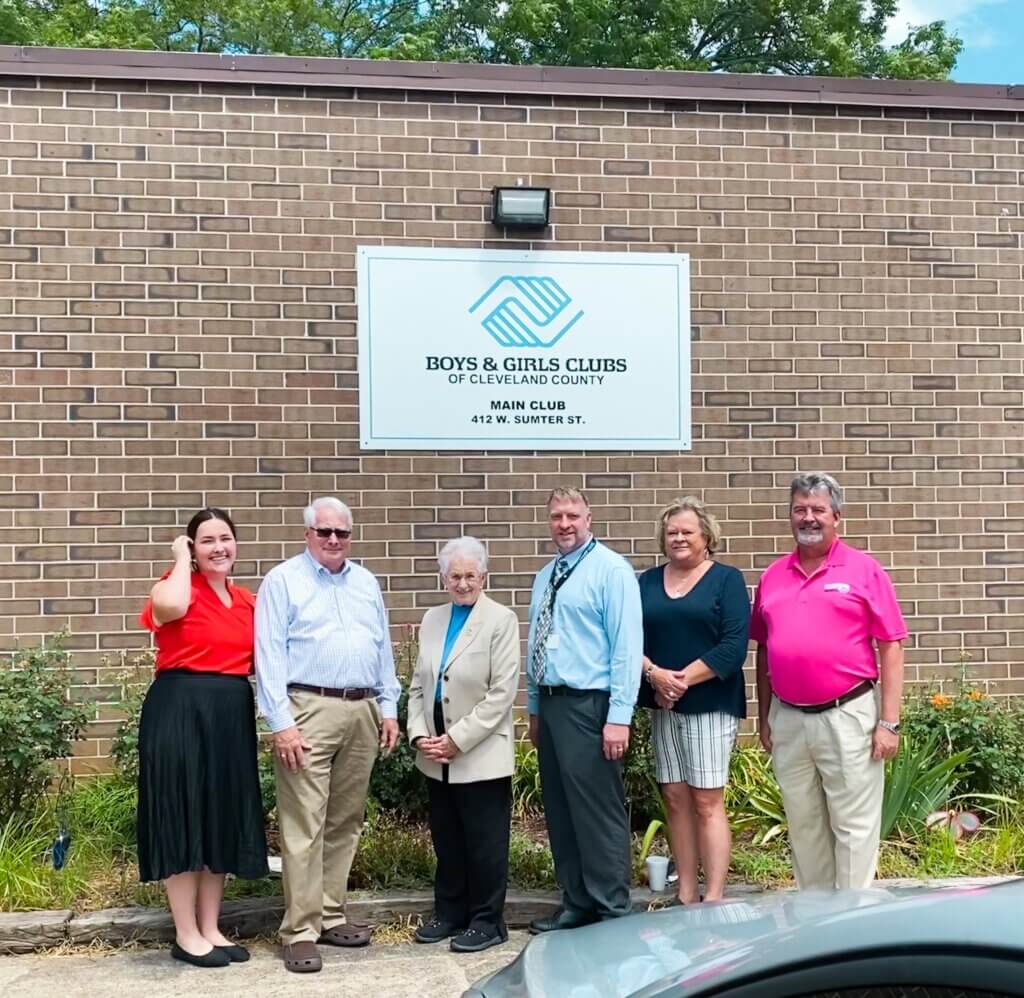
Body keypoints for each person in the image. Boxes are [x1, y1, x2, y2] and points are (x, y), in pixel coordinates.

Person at [254, 496, 401, 974]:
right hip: (307, 709)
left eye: (342, 533)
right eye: (324, 532)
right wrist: (281, 723)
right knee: (304, 824)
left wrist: (389, 704)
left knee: (344, 820)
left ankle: (331, 913)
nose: (334, 540)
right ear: (307, 534)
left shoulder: (366, 582)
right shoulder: (283, 581)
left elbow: (382, 648)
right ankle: (299, 929)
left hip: (361, 708)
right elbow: (268, 654)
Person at [752, 472, 907, 890]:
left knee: (854, 828)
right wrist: (765, 717)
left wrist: (889, 722)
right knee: (803, 826)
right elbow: (764, 650)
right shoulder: (773, 576)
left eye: (817, 509)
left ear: (836, 516)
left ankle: (851, 928)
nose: (808, 517)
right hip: (789, 718)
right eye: (799, 509)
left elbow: (891, 646)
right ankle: (815, 926)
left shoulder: (863, 570)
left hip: (848, 714)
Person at [137, 507, 268, 969]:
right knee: (184, 813)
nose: (219, 547)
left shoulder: (248, 600)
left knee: (219, 816)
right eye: (207, 540)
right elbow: (169, 610)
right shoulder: (175, 587)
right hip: (178, 709)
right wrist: (178, 555)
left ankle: (211, 927)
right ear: (194, 548)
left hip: (230, 712)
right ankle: (186, 933)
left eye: (225, 538)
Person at [525, 487, 644, 933]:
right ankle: (575, 901)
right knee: (561, 809)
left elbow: (627, 650)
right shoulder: (546, 574)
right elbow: (535, 641)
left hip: (590, 706)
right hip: (553, 706)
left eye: (573, 515)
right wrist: (535, 708)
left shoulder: (611, 571)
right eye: (556, 516)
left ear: (589, 517)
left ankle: (611, 909)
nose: (564, 524)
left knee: (597, 811)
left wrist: (619, 717)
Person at [407, 536, 520, 953]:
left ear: (483, 576)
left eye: (470, 575)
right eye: (454, 575)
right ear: (443, 578)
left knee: (485, 842)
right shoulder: (432, 619)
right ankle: (450, 913)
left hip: (480, 753)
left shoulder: (501, 620)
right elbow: (419, 686)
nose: (462, 583)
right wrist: (420, 735)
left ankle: (487, 921)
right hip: (436, 756)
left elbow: (502, 693)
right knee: (448, 839)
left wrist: (457, 739)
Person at [638, 497, 750, 905]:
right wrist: (655, 675)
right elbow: (627, 639)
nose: (679, 538)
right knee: (674, 796)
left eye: (687, 531)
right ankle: (685, 893)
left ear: (706, 537)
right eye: (672, 533)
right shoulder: (646, 583)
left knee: (706, 799)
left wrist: (679, 680)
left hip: (709, 704)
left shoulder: (726, 580)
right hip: (662, 704)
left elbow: (734, 646)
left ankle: (714, 896)